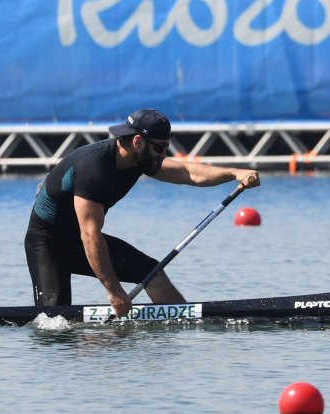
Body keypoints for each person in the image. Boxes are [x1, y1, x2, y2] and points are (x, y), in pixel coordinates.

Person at [24, 108, 259, 317]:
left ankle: (188, 323)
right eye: (159, 147)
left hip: (79, 239)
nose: (163, 154)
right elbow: (90, 236)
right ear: (137, 141)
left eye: (166, 147)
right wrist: (114, 291)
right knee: (53, 324)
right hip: (47, 243)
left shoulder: (140, 161)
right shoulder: (93, 170)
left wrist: (234, 173)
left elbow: (189, 172)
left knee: (152, 272)